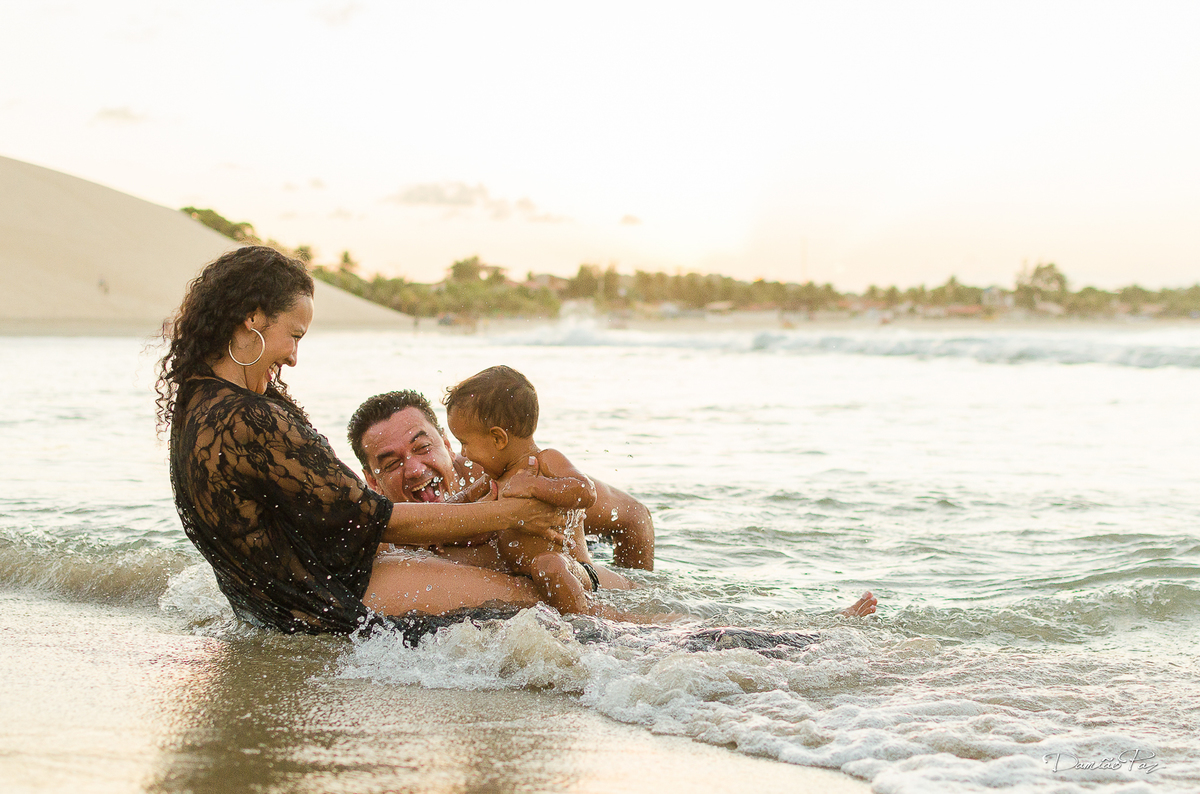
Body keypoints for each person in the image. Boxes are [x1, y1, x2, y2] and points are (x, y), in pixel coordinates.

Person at [157, 246, 563, 634]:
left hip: (276, 611)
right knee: (541, 602)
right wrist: (514, 513)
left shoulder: (196, 403)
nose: (294, 357)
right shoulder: (245, 417)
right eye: (294, 335)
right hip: (335, 601)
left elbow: (332, 515)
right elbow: (371, 519)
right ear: (253, 318)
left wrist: (477, 500)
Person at [346, 390, 649, 588]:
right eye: (391, 464)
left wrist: (636, 588)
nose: (414, 469)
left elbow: (634, 516)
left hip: (573, 566)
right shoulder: (381, 536)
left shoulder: (504, 475)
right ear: (371, 481)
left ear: (449, 445)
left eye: (423, 447)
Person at [442, 365, 607, 616]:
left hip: (572, 570)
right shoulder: (492, 478)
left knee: (548, 564)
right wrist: (437, 531)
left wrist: (536, 486)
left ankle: (583, 625)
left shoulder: (545, 461)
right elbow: (460, 502)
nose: (462, 453)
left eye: (464, 443)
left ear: (498, 439)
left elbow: (586, 491)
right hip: (525, 574)